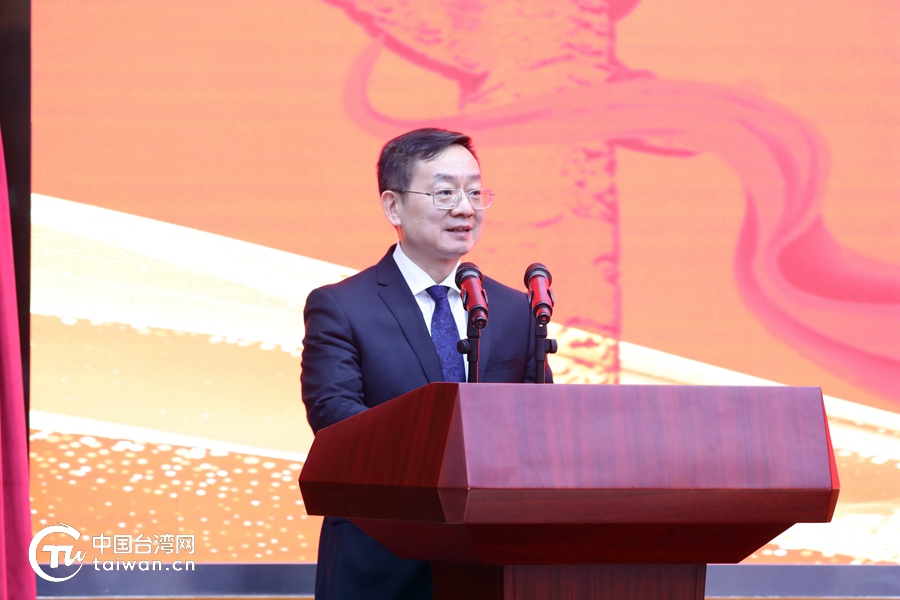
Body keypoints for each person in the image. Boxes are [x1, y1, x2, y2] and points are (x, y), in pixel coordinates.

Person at [300, 127, 551, 600]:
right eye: (444, 193)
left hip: (494, 564)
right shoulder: (342, 307)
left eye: (474, 192)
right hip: (381, 560)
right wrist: (443, 462)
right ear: (393, 206)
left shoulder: (515, 310)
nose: (465, 208)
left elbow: (542, 424)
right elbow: (335, 418)